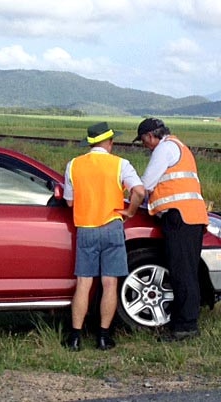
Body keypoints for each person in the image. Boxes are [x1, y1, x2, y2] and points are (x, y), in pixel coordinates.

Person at [63, 122, 145, 351]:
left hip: (86, 228)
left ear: (89, 143)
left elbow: (69, 201)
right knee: (110, 284)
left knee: (83, 283)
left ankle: (75, 338)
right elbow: (139, 191)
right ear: (110, 142)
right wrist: (129, 211)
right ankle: (103, 337)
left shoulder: (74, 165)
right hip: (111, 226)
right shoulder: (120, 164)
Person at [133, 117, 209, 342]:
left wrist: (131, 202)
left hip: (179, 217)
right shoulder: (179, 146)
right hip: (192, 216)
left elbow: (146, 184)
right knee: (188, 270)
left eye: (143, 141)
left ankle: (185, 326)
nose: (145, 145)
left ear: (149, 136)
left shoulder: (164, 149)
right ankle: (186, 321)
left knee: (181, 272)